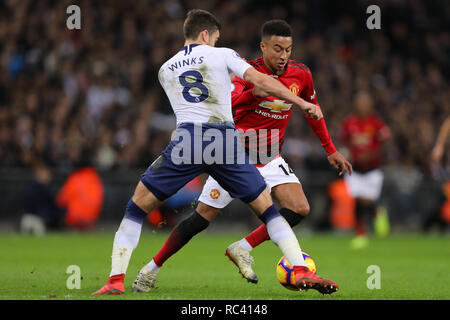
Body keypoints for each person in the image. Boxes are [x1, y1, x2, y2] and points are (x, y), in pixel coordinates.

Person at [93, 9, 338, 296]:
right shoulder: (222, 54)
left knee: (137, 207)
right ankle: (298, 268)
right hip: (225, 140)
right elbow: (261, 82)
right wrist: (299, 101)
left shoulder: (166, 68)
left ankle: (115, 279)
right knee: (268, 210)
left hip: (188, 141)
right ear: (207, 34)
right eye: (216, 37)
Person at [146, 19, 351, 284]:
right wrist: (254, 93)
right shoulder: (243, 72)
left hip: (268, 156)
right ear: (263, 47)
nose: (283, 56)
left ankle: (242, 247)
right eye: (277, 49)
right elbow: (226, 108)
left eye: (288, 50)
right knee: (201, 219)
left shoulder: (301, 75)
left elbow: (313, 112)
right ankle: (151, 268)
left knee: (299, 207)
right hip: (234, 157)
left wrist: (330, 149)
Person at [340, 91, 391, 249]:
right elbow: (343, 142)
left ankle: (377, 212)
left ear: (370, 106)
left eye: (365, 103)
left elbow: (387, 141)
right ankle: (360, 234)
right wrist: (346, 155)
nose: (362, 106)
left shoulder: (376, 123)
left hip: (373, 169)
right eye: (360, 103)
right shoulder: (349, 123)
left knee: (366, 200)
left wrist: (372, 154)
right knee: (358, 200)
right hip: (355, 169)